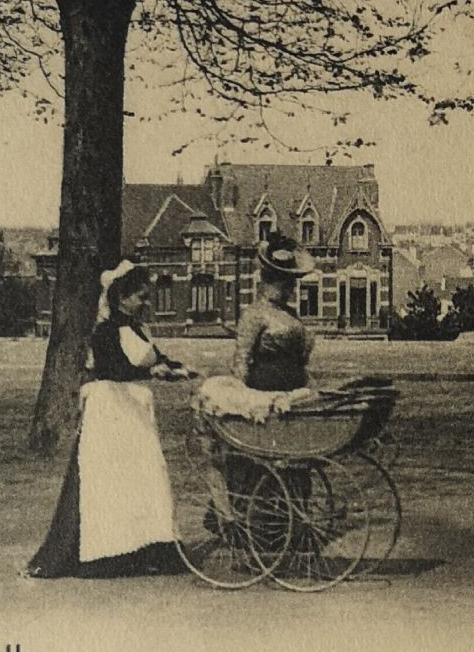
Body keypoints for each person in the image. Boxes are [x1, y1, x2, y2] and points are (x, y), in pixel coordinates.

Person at [26, 260, 198, 578]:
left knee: (146, 476)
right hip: (110, 411)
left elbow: (155, 357)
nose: (146, 303)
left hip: (132, 411)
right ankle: (109, 552)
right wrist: (150, 372)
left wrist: (176, 367)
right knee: (111, 481)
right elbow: (113, 370)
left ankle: (150, 546)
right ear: (121, 298)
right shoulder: (105, 332)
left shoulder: (137, 329)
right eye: (141, 297)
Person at [232, 234, 318, 391]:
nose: (291, 288)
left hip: (296, 390)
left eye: (292, 282)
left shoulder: (292, 314)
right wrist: (242, 398)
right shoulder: (254, 314)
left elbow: (301, 361)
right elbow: (241, 360)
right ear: (269, 281)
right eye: (285, 283)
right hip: (265, 391)